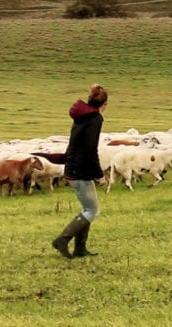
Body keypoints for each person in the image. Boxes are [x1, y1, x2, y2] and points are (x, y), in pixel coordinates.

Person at [52, 83, 108, 258]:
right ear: (104, 104)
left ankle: (80, 248)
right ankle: (62, 239)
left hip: (74, 166)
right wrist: (99, 174)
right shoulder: (95, 119)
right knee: (92, 210)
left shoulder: (82, 116)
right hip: (80, 170)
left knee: (88, 208)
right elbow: (91, 148)